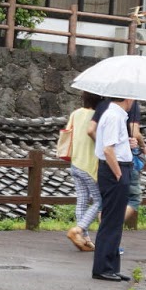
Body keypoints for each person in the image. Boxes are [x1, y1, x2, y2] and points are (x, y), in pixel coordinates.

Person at [92, 96, 137, 282]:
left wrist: (128, 142)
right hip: (114, 170)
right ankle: (103, 267)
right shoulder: (114, 116)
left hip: (117, 168)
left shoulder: (117, 115)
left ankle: (111, 266)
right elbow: (108, 149)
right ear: (127, 97)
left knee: (115, 220)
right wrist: (118, 174)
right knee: (111, 221)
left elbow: (115, 145)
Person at [63, 92, 101, 252]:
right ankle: (78, 229)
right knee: (100, 201)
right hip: (90, 165)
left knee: (82, 200)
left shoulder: (75, 113)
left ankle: (84, 239)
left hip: (75, 162)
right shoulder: (98, 116)